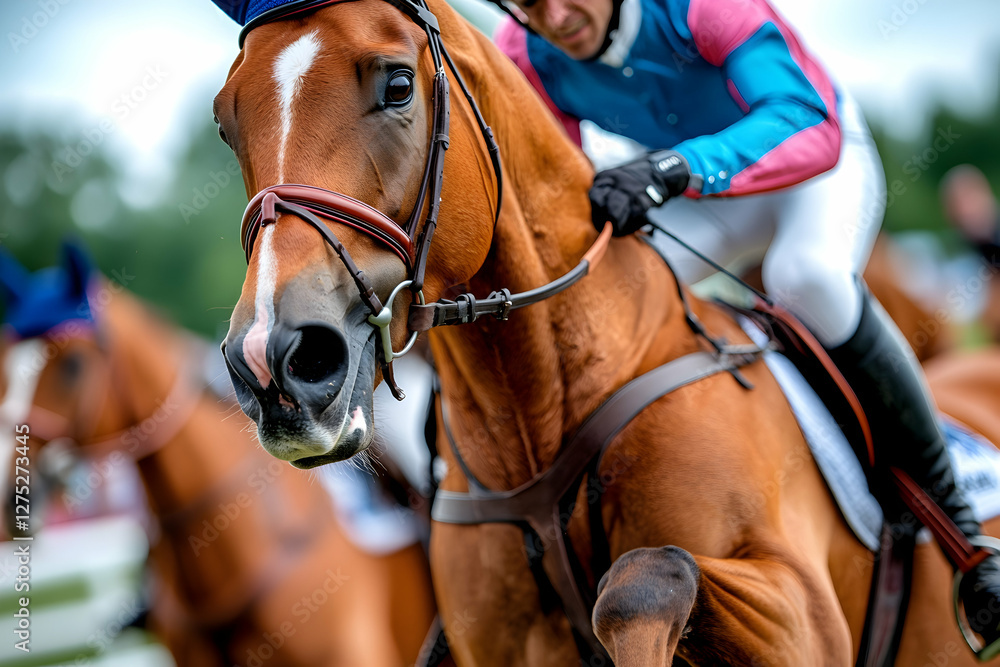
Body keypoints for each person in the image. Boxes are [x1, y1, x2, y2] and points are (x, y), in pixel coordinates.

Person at [491, 0, 1000, 647]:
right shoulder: (524, 52)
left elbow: (805, 122)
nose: (557, 19)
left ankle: (964, 533)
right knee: (598, 292)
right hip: (703, 192)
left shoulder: (699, 7)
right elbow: (555, 176)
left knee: (807, 276)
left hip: (814, 162)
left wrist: (676, 166)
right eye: (531, 5)